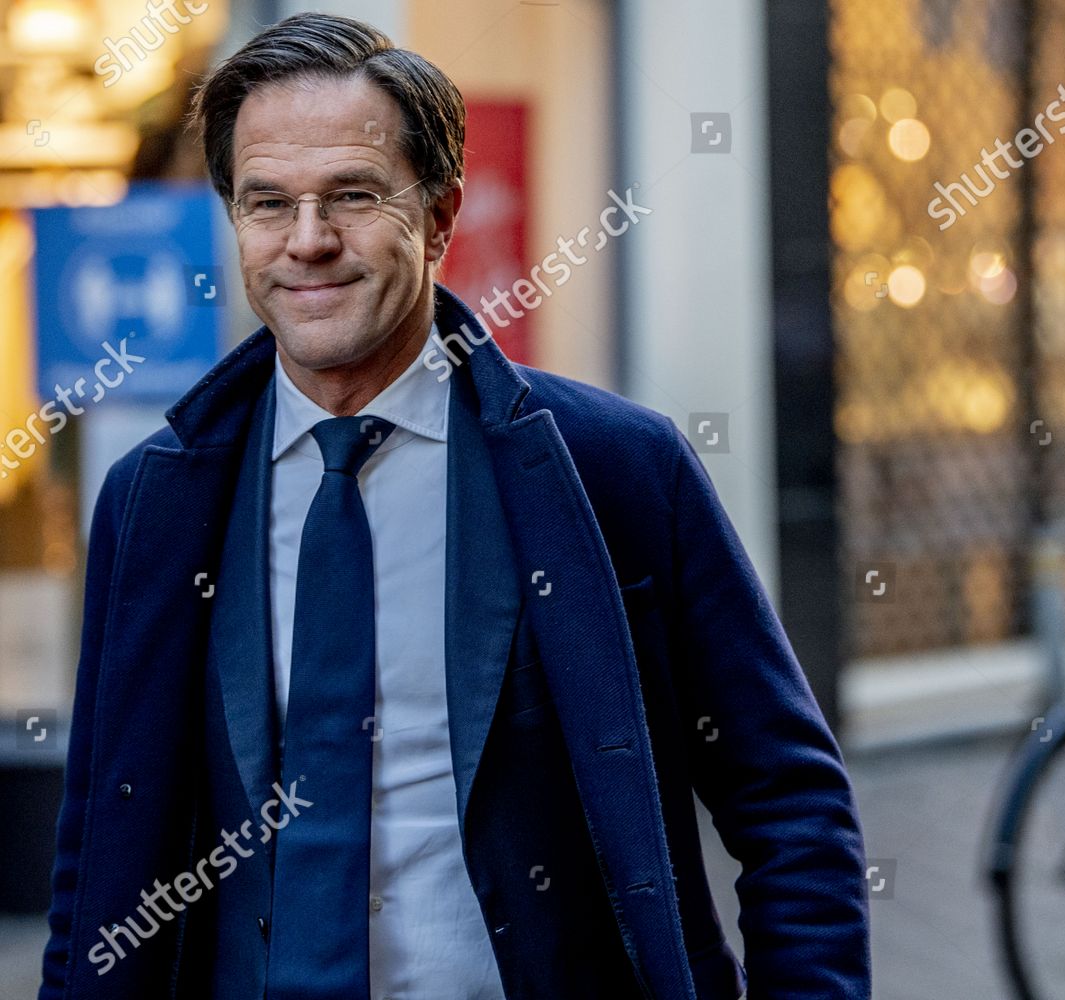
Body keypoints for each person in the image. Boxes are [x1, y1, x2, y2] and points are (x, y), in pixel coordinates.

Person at [39, 13, 870, 999]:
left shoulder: (616, 468)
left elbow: (790, 805)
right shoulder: (154, 501)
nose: (308, 241)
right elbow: (96, 856)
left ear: (439, 215)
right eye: (268, 203)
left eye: (352, 196)